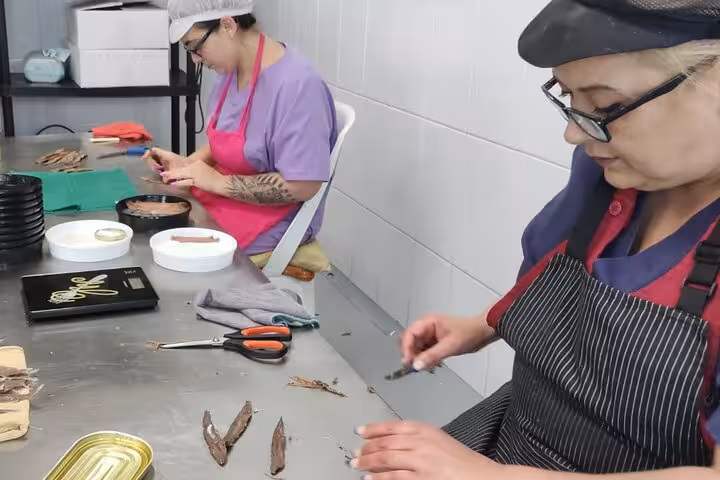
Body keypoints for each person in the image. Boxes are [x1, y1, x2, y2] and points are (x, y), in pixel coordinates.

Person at [352, 1, 720, 478]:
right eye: (569, 99)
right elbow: (555, 277)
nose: (573, 133)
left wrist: (496, 477)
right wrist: (481, 326)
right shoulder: (607, 175)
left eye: (607, 106)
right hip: (520, 432)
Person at [145, 0, 337, 257]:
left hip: (276, 216)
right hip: (227, 200)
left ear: (227, 25)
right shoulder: (230, 74)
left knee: (173, 247)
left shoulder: (298, 86)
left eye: (196, 48)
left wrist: (218, 182)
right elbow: (230, 144)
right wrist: (186, 166)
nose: (195, 61)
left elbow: (302, 186)